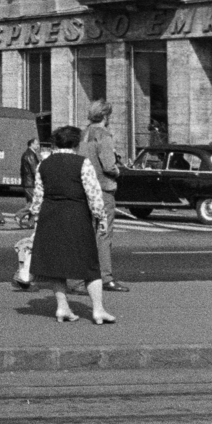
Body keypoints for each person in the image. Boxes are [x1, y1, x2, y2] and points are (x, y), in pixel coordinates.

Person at [29, 124, 115, 326]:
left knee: (56, 265)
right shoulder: (82, 164)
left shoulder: (44, 164)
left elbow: (38, 196)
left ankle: (62, 306)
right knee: (89, 264)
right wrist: (101, 219)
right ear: (76, 144)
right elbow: (93, 194)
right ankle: (98, 309)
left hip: (50, 215)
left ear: (55, 143)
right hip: (76, 215)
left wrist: (35, 217)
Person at [81, 100, 129, 293]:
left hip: (84, 189)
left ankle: (80, 278)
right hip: (102, 190)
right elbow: (108, 165)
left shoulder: (83, 134)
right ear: (106, 116)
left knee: (86, 235)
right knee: (103, 234)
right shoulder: (104, 135)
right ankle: (105, 277)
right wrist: (119, 170)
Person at [19, 136, 41, 215]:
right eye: (36, 144)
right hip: (30, 183)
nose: (38, 146)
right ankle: (19, 215)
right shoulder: (30, 155)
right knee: (34, 203)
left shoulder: (28, 153)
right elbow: (34, 170)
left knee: (30, 202)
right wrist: (40, 180)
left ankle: (30, 222)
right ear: (31, 144)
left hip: (28, 182)